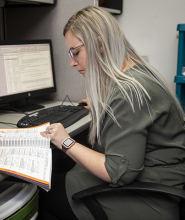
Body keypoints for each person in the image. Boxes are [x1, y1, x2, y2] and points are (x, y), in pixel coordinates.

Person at [38, 5, 185, 220]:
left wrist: (65, 141)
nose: (72, 62)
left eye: (75, 52)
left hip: (150, 198)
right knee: (60, 170)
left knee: (47, 191)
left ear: (99, 45)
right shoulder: (137, 74)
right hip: (162, 179)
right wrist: (104, 103)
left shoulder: (129, 93)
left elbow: (118, 173)